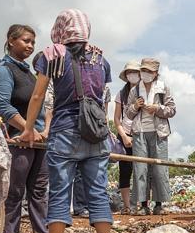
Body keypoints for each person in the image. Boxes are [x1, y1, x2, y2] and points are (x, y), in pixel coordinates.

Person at [17, 9, 114, 233]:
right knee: (98, 192)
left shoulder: (51, 57)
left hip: (64, 131)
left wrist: (28, 128)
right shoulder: (101, 59)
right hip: (96, 133)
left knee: (59, 193)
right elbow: (100, 98)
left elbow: (37, 96)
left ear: (62, 28)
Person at [0, 24, 50, 233]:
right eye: (25, 40)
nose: (30, 46)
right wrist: (27, 129)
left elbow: (42, 105)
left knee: (38, 189)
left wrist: (43, 130)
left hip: (39, 141)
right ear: (11, 40)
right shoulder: (4, 70)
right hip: (19, 140)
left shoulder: (29, 73)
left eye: (33, 42)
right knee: (15, 190)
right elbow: (3, 106)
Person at [126, 58, 176, 216]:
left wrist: (158, 108)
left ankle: (159, 204)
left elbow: (172, 110)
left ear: (155, 73)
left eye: (149, 71)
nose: (145, 74)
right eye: (143, 70)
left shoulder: (163, 88)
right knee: (140, 168)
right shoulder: (135, 90)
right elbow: (128, 113)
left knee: (159, 168)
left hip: (158, 132)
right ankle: (143, 205)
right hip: (140, 132)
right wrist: (135, 106)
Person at [72, 83, 112, 217]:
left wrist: (105, 129)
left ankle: (96, 208)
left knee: (98, 172)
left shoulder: (106, 89)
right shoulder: (82, 82)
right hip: (81, 124)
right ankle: (80, 206)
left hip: (98, 128)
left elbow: (105, 111)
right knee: (79, 171)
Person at [114, 60, 141, 214]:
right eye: (129, 72)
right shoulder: (121, 94)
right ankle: (127, 206)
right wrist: (124, 136)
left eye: (135, 72)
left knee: (141, 170)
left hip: (142, 135)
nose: (133, 75)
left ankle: (139, 204)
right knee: (125, 170)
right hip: (125, 135)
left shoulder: (145, 92)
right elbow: (117, 118)